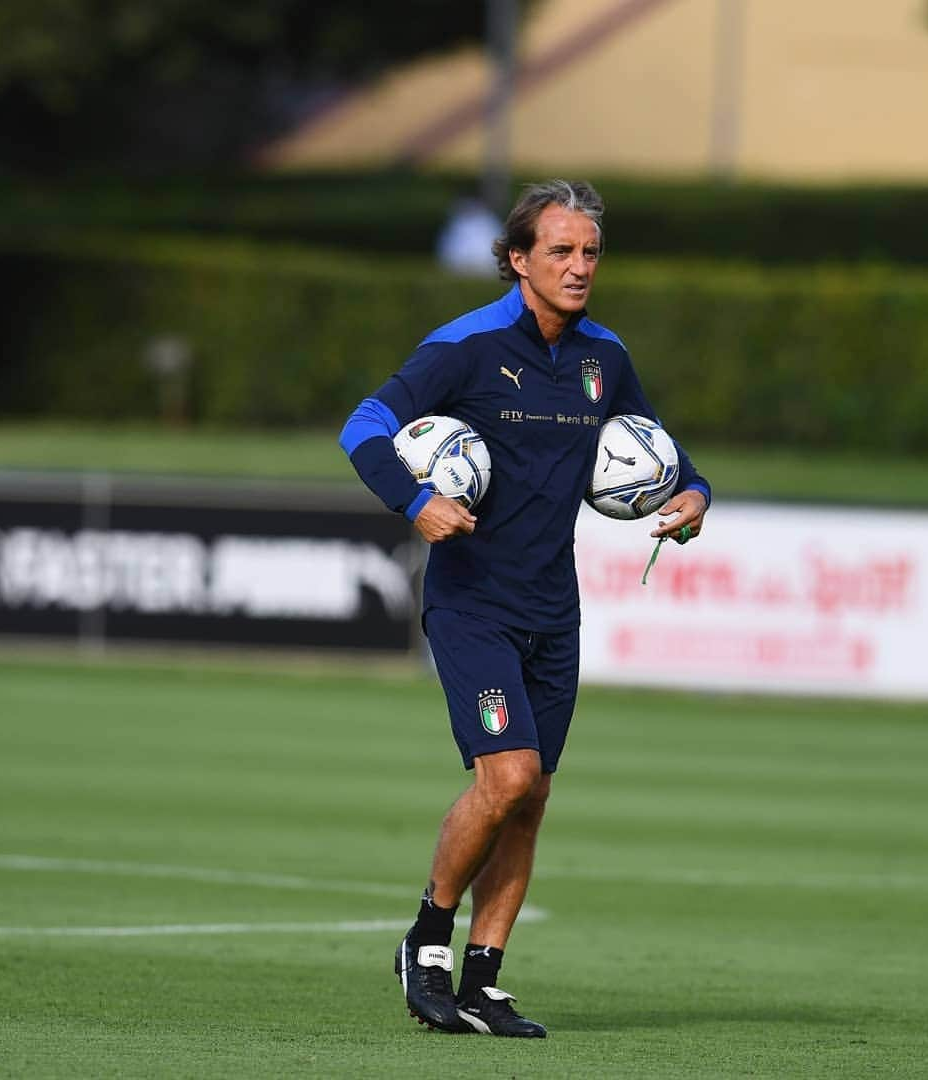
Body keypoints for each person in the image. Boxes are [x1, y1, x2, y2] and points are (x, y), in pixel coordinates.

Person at [339, 179, 711, 1038]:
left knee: (532, 795)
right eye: (561, 251)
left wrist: (694, 495)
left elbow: (665, 454)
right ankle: (427, 941)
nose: (580, 267)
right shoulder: (464, 347)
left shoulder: (602, 358)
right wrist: (413, 500)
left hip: (555, 608)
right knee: (503, 778)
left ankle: (485, 979)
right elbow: (364, 426)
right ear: (517, 259)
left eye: (590, 253)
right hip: (472, 603)